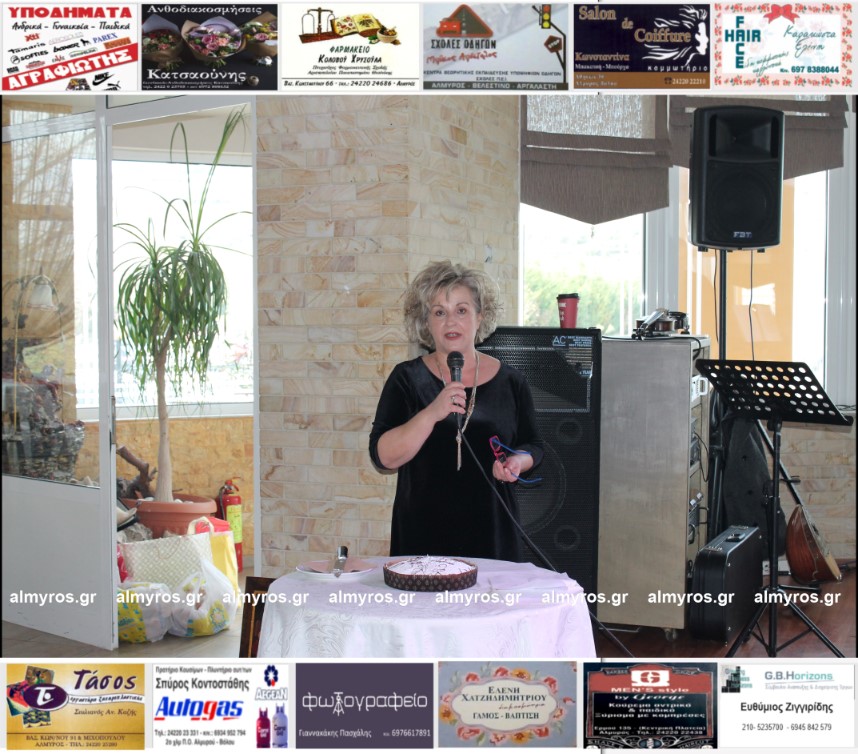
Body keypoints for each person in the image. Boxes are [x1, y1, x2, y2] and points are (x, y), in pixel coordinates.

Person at [369, 260, 543, 561]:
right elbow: (382, 457)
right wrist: (432, 413)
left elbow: (534, 446)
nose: (451, 322)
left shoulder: (512, 381)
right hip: (422, 537)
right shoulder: (406, 378)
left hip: (492, 535)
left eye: (461, 310)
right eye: (439, 312)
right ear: (427, 322)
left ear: (480, 316)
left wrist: (518, 461)